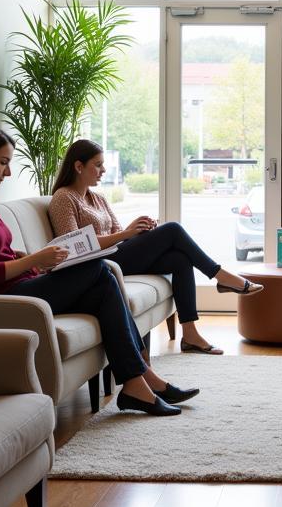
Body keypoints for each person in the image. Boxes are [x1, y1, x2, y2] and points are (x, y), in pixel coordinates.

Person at [0, 123, 197, 416]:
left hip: (23, 283)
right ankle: (143, 378)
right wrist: (35, 260)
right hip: (6, 297)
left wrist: (31, 258)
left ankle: (138, 382)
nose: (7, 173)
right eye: (3, 162)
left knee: (104, 287)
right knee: (97, 267)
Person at [47, 139, 262, 356]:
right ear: (78, 166)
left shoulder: (98, 198)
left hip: (115, 255)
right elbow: (73, 246)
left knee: (180, 259)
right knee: (172, 230)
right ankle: (220, 275)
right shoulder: (64, 198)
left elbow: (117, 233)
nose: (103, 170)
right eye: (98, 164)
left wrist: (137, 230)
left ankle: (190, 334)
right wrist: (127, 234)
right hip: (96, 266)